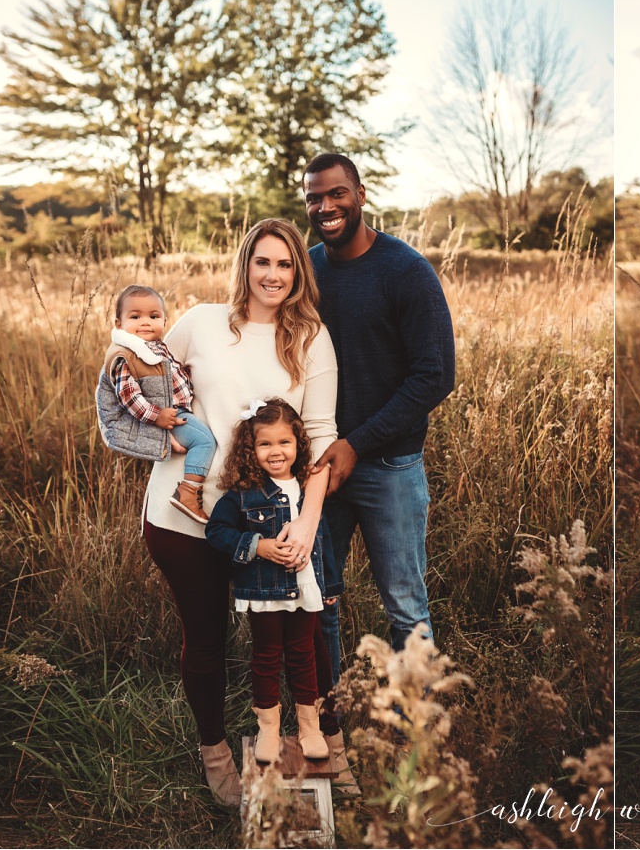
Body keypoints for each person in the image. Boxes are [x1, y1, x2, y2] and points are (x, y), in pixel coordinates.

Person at [140, 218, 338, 806]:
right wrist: (160, 439)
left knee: (302, 634)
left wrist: (307, 522)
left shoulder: (310, 338)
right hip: (188, 515)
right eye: (263, 262)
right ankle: (217, 755)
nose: (273, 275)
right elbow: (134, 378)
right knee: (205, 637)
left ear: (298, 272)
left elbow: (324, 434)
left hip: (275, 524)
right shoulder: (200, 322)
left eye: (285, 264)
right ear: (244, 265)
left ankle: (322, 744)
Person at [301, 152, 457, 746]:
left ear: (360, 195)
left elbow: (434, 375)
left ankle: (421, 733)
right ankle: (330, 725)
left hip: (388, 465)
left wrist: (357, 443)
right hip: (321, 467)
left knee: (405, 606)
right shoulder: (308, 271)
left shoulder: (405, 270)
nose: (325, 207)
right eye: (315, 198)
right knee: (320, 598)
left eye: (336, 194)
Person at [204, 399, 331, 765]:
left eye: (284, 443)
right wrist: (256, 546)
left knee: (304, 655)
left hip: (305, 586)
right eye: (265, 444)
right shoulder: (243, 494)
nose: (276, 452)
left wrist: (330, 586)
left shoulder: (310, 487)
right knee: (266, 656)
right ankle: (269, 729)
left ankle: (310, 728)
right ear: (251, 448)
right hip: (263, 590)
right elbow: (217, 531)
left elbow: (321, 538)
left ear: (298, 444)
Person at [97, 284, 218, 521]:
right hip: (168, 415)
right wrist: (157, 416)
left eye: (153, 316)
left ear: (164, 320)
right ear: (118, 324)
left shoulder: (153, 347)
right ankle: (189, 492)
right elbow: (129, 396)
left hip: (173, 410)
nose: (145, 322)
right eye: (135, 316)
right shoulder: (126, 354)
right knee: (205, 442)